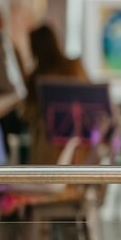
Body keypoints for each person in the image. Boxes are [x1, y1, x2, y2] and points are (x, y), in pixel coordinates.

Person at [22, 24, 89, 165]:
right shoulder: (72, 67)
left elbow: (27, 113)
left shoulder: (37, 76)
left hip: (50, 145)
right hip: (75, 142)